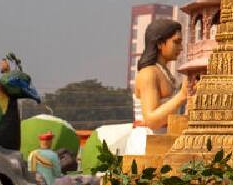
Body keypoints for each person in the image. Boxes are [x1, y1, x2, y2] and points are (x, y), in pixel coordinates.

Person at [81, 19, 190, 169]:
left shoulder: (164, 73)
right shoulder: (148, 74)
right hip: (146, 141)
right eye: (176, 42)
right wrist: (181, 97)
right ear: (159, 44)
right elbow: (151, 120)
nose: (181, 48)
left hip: (164, 140)